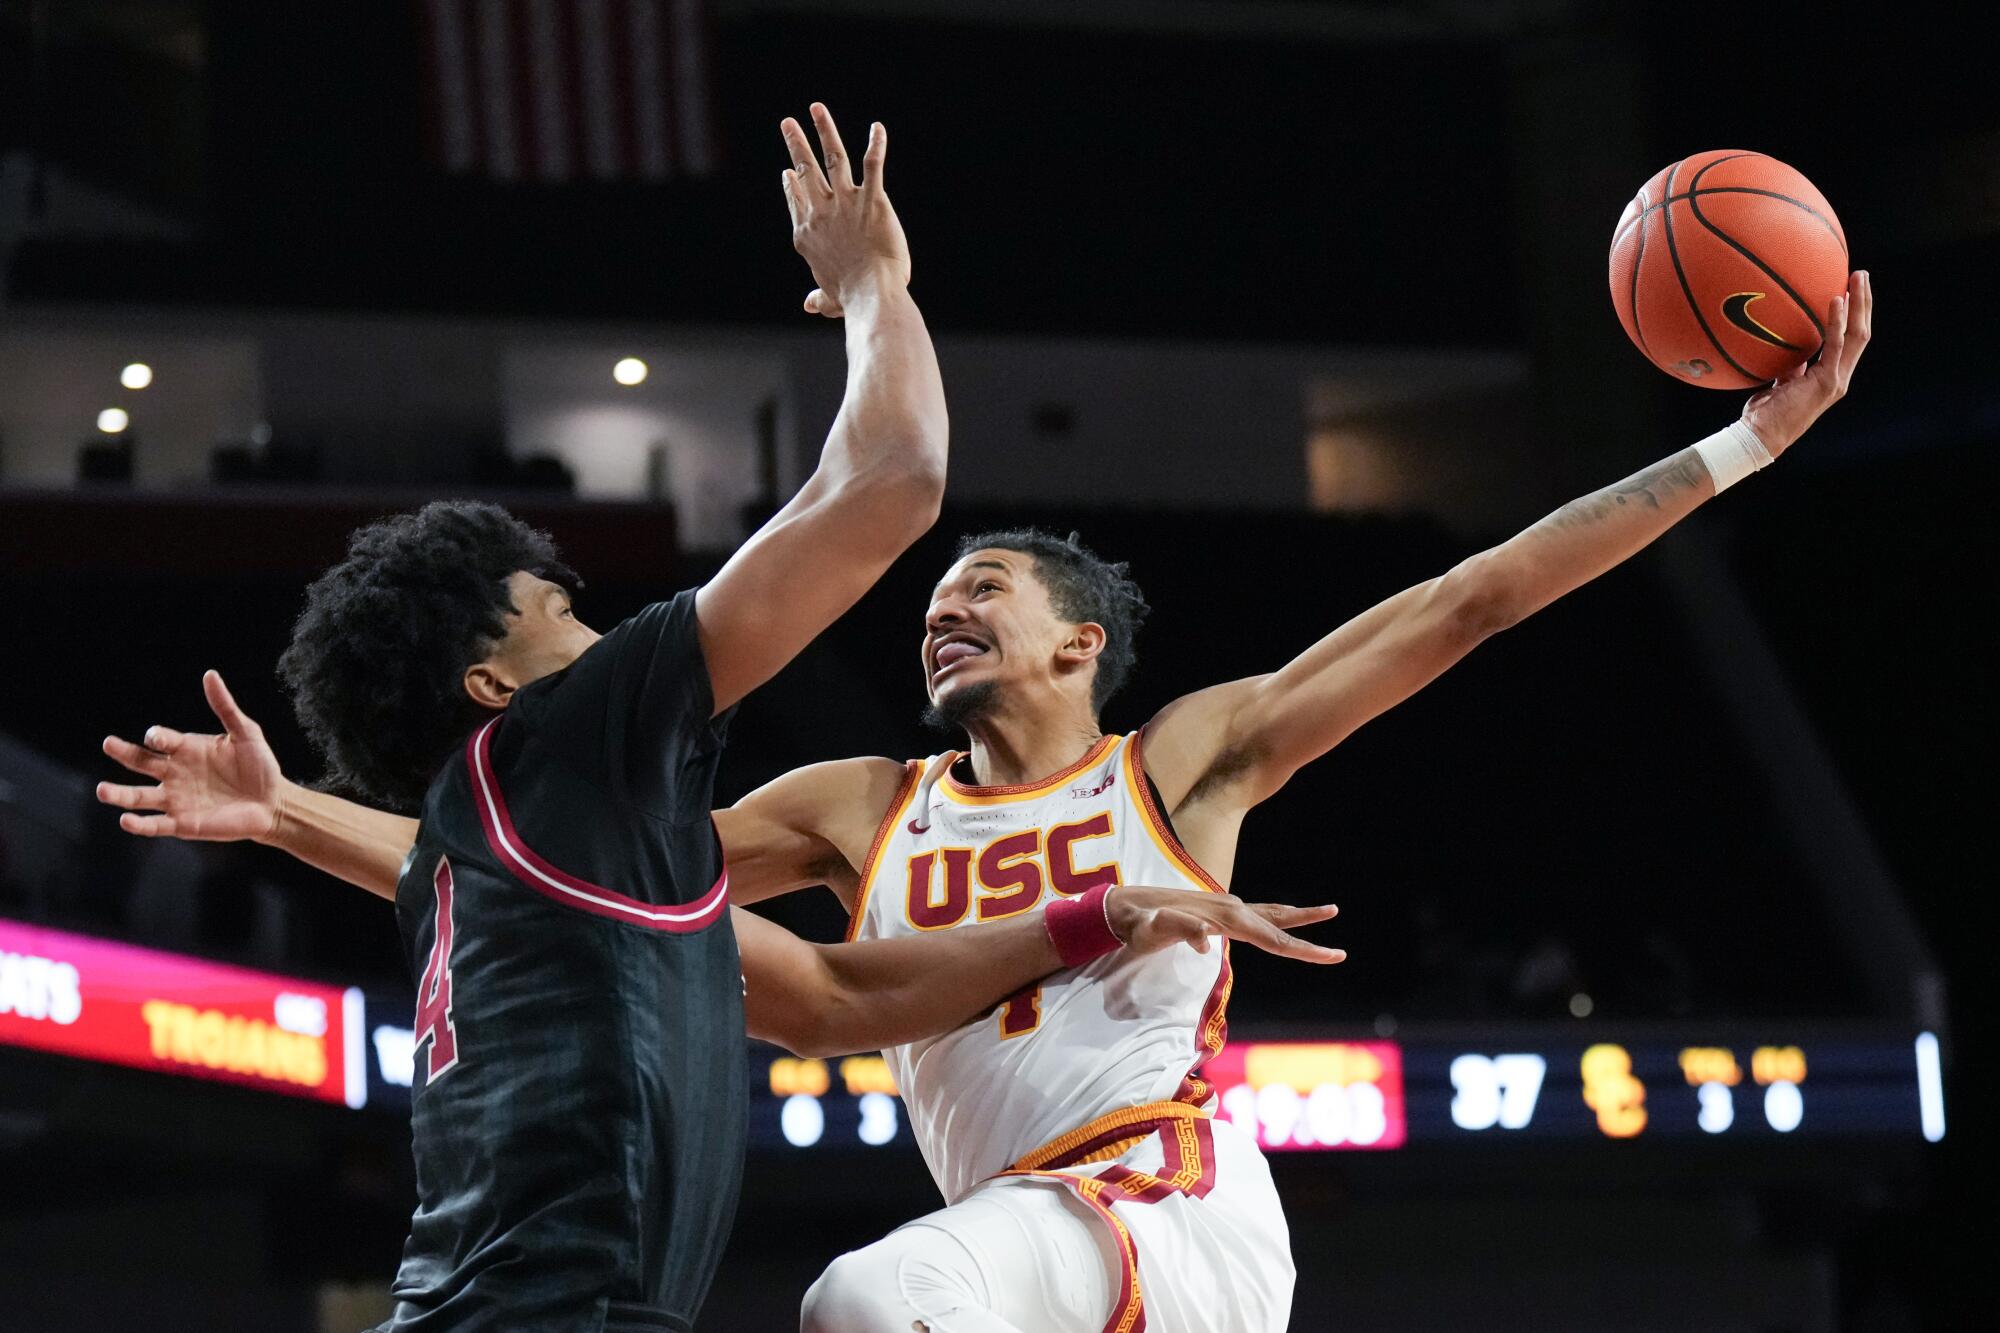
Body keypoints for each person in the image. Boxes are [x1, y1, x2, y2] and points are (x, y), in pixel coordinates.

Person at [112, 265, 1873, 1329]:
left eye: (991, 587)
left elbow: (1473, 593)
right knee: (909, 1288)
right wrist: (287, 816)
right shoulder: (856, 804)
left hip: (1172, 1203)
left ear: (1080, 643)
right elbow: (550, 883)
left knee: (869, 1295)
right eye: (936, 589)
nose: (945, 600)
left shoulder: (1187, 758)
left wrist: (1738, 448)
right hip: (1025, 1257)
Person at [95, 103, 1341, 1333]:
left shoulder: (492, 846)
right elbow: (894, 477)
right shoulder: (575, 730)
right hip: (552, 1313)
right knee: (869, 1298)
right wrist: (871, 286)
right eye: (561, 612)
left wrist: (280, 816)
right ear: (493, 678)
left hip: (488, 1305)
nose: (598, 630)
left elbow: (831, 996)